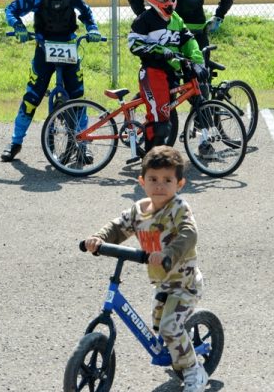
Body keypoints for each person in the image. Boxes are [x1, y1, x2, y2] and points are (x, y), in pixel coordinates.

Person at [83, 146, 209, 392]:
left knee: (170, 327)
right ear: (142, 181)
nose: (159, 186)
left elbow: (189, 233)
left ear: (179, 184)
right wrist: (98, 239)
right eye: (153, 179)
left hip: (184, 283)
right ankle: (177, 352)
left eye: (167, 180)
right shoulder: (138, 211)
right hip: (162, 282)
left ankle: (195, 371)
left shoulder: (178, 208)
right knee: (160, 326)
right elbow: (117, 227)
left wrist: (169, 253)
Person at [1, 0, 101, 162]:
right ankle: (15, 142)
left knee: (78, 98)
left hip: (70, 48)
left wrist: (93, 29)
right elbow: (11, 9)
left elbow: (87, 14)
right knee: (32, 97)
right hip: (43, 48)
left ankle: (83, 144)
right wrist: (18, 26)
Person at [128, 0, 208, 155]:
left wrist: (197, 62)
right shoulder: (144, 20)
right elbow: (134, 44)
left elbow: (188, 41)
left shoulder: (176, 19)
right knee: (160, 125)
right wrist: (160, 50)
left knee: (172, 115)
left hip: (172, 73)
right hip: (153, 73)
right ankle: (151, 161)